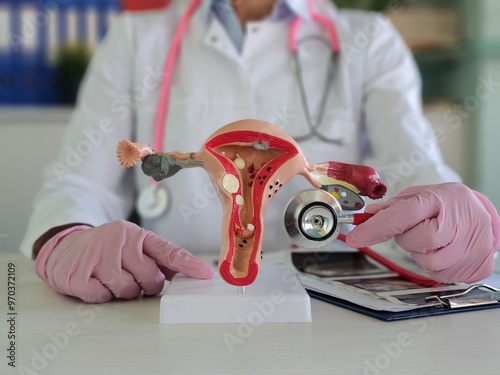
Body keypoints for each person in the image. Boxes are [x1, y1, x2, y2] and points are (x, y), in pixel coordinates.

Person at [21, 0, 500, 303]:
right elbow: (79, 182)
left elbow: (413, 170)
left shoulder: (367, 41)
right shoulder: (135, 40)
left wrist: (446, 212)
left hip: (334, 311)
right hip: (179, 301)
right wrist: (66, 237)